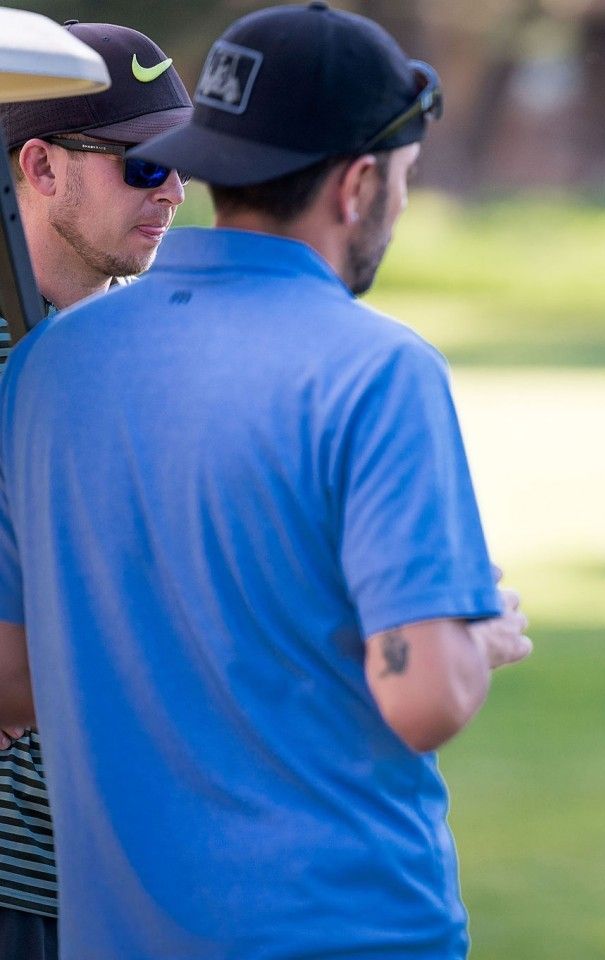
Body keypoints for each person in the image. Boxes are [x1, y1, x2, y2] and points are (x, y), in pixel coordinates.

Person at [0, 3, 529, 957]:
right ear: (359, 183)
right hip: (345, 930)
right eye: (405, 177)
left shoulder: (46, 364)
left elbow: (9, 681)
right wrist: (476, 633)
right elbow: (424, 697)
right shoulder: (381, 370)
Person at [0, 20, 191, 958]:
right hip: (17, 879)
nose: (174, 192)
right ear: (40, 166)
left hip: (143, 873)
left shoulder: (166, 352)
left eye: (185, 165)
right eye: (143, 164)